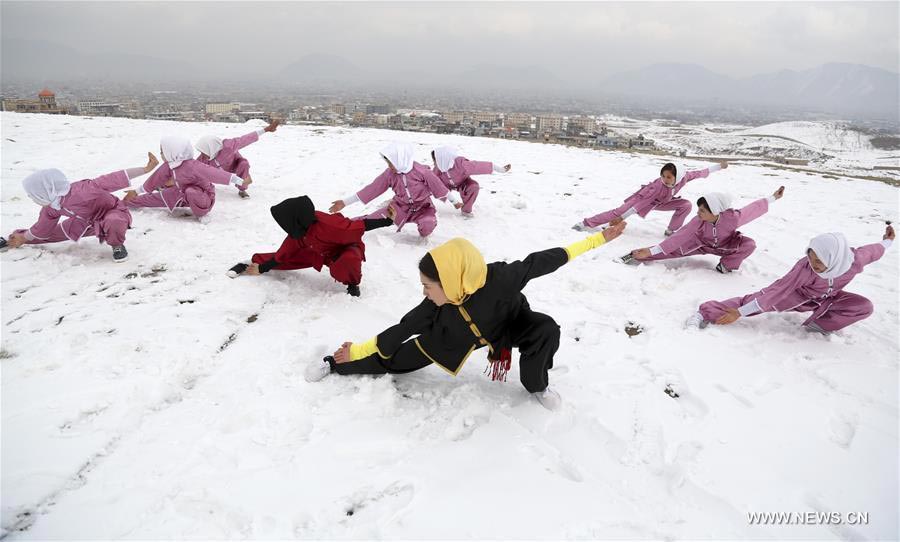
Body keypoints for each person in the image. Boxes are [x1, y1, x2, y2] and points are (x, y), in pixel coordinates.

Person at [305, 221, 629, 411]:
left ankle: (537, 386)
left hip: (506, 325)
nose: (424, 293)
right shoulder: (433, 309)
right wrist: (354, 354)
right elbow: (400, 331)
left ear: (451, 280)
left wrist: (599, 238)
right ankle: (335, 367)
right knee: (395, 359)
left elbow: (545, 260)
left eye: (428, 286)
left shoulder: (499, 278)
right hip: (453, 338)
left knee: (545, 329)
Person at [686, 225, 895, 334]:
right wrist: (740, 313)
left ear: (835, 259)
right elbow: (777, 293)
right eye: (811, 257)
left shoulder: (853, 261)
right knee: (753, 301)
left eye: (819, 261)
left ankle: (819, 326)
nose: (814, 264)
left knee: (864, 306)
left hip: (826, 299)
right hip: (794, 294)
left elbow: (873, 251)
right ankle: (705, 312)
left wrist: (887, 241)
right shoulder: (805, 267)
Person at [1, 154, 158, 262]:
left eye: (34, 195)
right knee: (51, 234)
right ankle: (15, 239)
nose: (33, 198)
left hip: (113, 213)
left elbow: (113, 178)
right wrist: (24, 237)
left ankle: (117, 245)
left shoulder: (84, 188)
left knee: (114, 221)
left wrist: (145, 169)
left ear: (47, 190)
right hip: (85, 222)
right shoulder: (51, 207)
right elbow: (43, 229)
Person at [227, 196, 394, 296]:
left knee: (349, 260)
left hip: (344, 250)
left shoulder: (331, 226)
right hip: (318, 253)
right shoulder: (299, 232)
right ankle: (247, 263)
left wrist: (386, 221)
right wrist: (262, 268)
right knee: (286, 256)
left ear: (297, 219)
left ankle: (352, 283)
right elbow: (283, 254)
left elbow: (361, 225)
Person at [622, 186, 784, 273]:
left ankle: (726, 266)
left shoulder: (733, 217)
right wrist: (650, 251)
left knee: (749, 244)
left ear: (715, 211)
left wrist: (773, 197)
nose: (698, 213)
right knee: (671, 250)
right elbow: (677, 239)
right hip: (699, 244)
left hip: (725, 245)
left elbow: (753, 209)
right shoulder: (697, 220)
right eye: (698, 209)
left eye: (702, 210)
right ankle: (635, 255)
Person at [328, 142, 460, 237]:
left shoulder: (422, 172)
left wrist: (455, 202)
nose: (389, 166)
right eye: (388, 163)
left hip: (423, 209)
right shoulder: (389, 174)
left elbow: (440, 187)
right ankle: (339, 226)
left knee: (427, 224)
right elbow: (372, 189)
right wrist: (345, 202)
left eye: (391, 162)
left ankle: (425, 227)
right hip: (398, 209)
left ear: (400, 159)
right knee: (367, 220)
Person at [574, 161, 727, 236]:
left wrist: (719, 167)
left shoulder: (685, 177)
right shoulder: (657, 186)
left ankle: (671, 231)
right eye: (663, 176)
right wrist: (621, 218)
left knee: (685, 205)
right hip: (643, 199)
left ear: (677, 177)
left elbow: (700, 173)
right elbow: (639, 205)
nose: (665, 179)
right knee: (617, 212)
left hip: (663, 202)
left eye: (668, 177)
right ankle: (585, 223)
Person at [124, 136, 250, 223]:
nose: (162, 155)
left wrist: (240, 181)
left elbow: (215, 174)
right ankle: (123, 203)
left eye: (163, 152)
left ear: (173, 151)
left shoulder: (193, 166)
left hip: (203, 197)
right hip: (180, 194)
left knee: (191, 191)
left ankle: (201, 214)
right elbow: (154, 180)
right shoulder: (169, 165)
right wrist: (136, 192)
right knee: (152, 198)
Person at [194, 119, 280, 199]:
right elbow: (191, 168)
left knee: (244, 164)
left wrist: (265, 129)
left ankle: (242, 190)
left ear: (211, 148)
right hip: (218, 171)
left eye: (204, 151)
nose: (202, 154)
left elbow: (245, 139)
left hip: (234, 165)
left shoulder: (228, 146)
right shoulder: (202, 158)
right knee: (201, 172)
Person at [430, 146, 510, 217]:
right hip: (446, 185)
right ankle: (424, 207)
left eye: (435, 160)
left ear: (443, 158)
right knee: (429, 188)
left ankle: (466, 210)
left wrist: (500, 169)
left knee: (473, 186)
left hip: (462, 183)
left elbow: (478, 166)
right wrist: (454, 202)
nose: (434, 163)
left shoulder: (460, 164)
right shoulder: (437, 170)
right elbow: (439, 187)